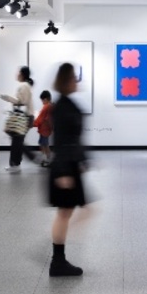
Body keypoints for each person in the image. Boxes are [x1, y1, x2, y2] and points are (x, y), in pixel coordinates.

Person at [47, 62, 89, 277]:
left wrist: (82, 161)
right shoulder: (62, 107)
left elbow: (74, 138)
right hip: (65, 167)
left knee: (69, 212)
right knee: (66, 213)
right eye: (74, 77)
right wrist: (63, 171)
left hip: (70, 164)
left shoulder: (66, 104)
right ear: (66, 80)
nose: (77, 81)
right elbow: (61, 140)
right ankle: (58, 260)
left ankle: (58, 257)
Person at [1, 66, 35, 172]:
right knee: (18, 140)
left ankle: (17, 163)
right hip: (27, 116)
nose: (17, 74)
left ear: (23, 74)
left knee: (17, 140)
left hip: (25, 117)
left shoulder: (24, 85)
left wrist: (6, 97)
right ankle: (19, 162)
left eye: (19, 72)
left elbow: (21, 101)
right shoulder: (25, 85)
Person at [33, 90, 53, 166]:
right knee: (43, 144)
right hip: (46, 129)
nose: (42, 102)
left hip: (44, 129)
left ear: (45, 99)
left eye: (42, 100)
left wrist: (33, 123)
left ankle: (47, 159)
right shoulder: (50, 106)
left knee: (44, 144)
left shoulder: (46, 107)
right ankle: (46, 159)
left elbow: (41, 118)